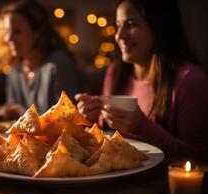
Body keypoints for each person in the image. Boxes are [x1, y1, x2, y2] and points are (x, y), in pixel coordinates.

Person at [75, 0, 208, 160]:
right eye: (118, 25)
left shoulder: (191, 80)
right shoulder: (116, 71)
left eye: (131, 24)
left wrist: (141, 127)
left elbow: (198, 158)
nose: (119, 35)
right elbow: (108, 141)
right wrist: (92, 118)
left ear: (159, 27)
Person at [0, 0, 82, 120]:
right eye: (7, 31)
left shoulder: (58, 63)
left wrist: (21, 112)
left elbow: (69, 117)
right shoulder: (15, 68)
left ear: (37, 33)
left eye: (17, 32)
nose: (8, 38)